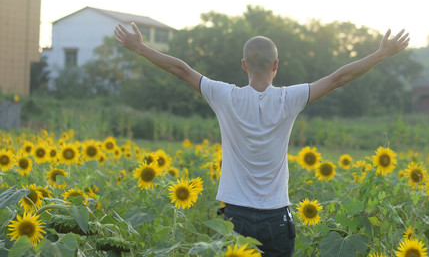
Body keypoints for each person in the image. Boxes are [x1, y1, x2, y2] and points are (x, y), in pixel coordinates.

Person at [114, 23, 409, 256]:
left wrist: (139, 46)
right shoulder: (289, 99)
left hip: (235, 217)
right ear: (276, 65)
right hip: (277, 219)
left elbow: (180, 69)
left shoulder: (223, 96)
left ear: (244, 64)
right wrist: (381, 53)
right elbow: (338, 78)